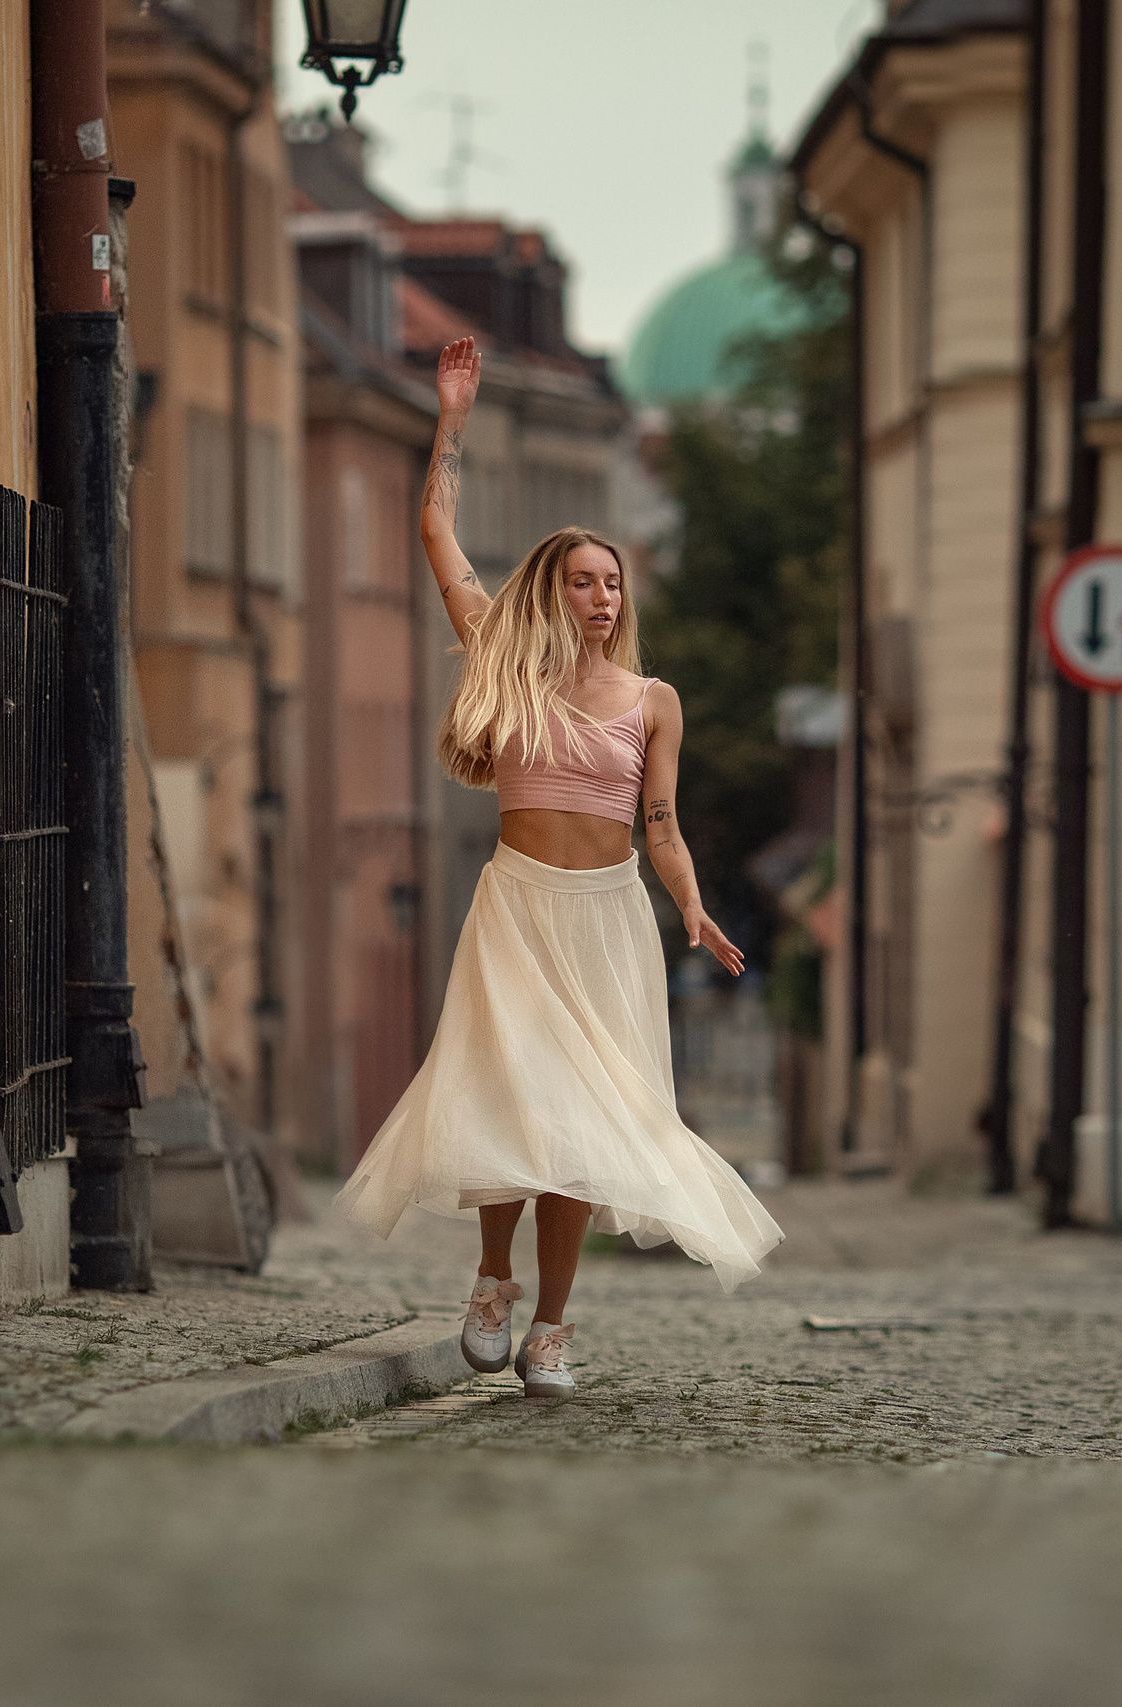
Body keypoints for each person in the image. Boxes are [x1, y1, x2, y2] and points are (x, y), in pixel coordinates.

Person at [333, 336, 785, 1399]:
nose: (601, 597)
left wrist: (690, 906)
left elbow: (661, 822)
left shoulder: (653, 701)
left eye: (612, 583)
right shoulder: (502, 653)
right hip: (517, 909)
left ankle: (550, 1327)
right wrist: (451, 420)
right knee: (511, 1101)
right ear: (552, 589)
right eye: (583, 581)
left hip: (608, 919)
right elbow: (436, 531)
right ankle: (492, 1280)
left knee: (579, 1129)